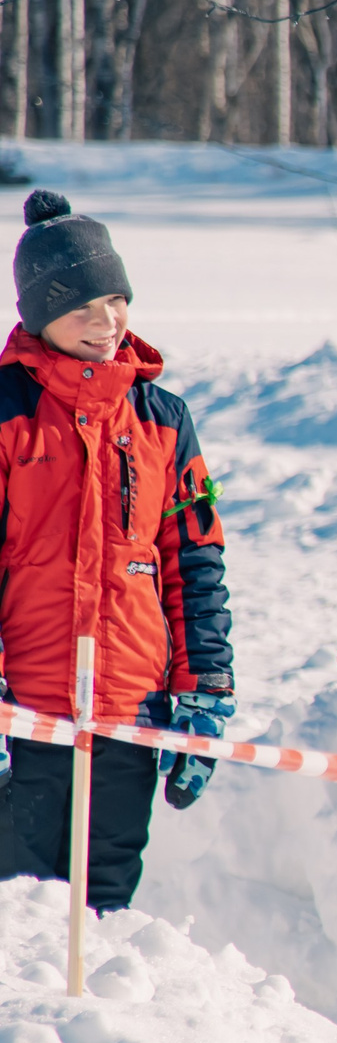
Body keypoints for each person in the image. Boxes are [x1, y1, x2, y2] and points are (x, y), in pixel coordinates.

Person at [0, 191, 234, 909]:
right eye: (82, 309)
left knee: (104, 898)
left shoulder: (164, 419)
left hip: (132, 706)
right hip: (27, 708)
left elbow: (195, 561)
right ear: (40, 318)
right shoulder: (7, 411)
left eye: (115, 300)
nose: (106, 323)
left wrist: (206, 688)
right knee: (19, 904)